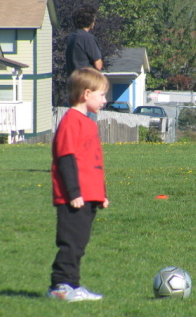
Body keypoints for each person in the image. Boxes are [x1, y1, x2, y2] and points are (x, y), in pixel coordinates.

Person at [47, 68, 109, 302]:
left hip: (89, 196)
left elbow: (93, 162)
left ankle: (72, 285)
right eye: (101, 95)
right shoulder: (71, 121)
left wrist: (102, 194)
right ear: (86, 94)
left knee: (79, 244)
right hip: (74, 197)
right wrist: (73, 193)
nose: (105, 100)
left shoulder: (88, 123)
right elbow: (66, 159)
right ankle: (60, 287)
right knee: (71, 243)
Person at [65, 5, 103, 76]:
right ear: (90, 21)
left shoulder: (71, 37)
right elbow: (98, 66)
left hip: (73, 79)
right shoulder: (88, 38)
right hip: (86, 79)